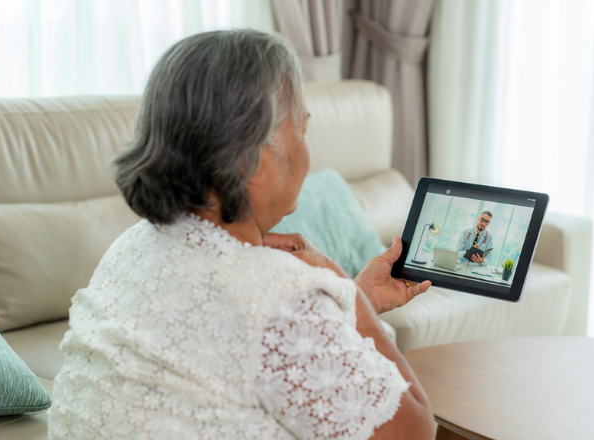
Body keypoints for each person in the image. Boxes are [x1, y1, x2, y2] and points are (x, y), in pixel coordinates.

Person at [47, 30, 435, 440]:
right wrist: (347, 293)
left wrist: (342, 303)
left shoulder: (132, 247)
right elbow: (414, 432)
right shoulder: (280, 297)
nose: (307, 152)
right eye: (301, 131)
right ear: (254, 164)